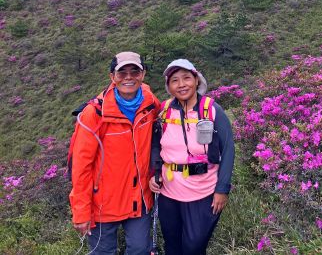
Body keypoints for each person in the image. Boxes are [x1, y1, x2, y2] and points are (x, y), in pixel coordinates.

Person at [69, 51, 160, 254]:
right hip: (102, 205)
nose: (129, 77)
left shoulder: (150, 104)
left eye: (134, 71)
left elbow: (157, 142)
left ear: (143, 74)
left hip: (139, 202)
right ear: (112, 77)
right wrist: (81, 210)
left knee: (139, 250)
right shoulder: (94, 114)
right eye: (122, 73)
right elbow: (81, 166)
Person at [149, 59, 234, 255]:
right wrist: (154, 174)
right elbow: (155, 146)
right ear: (169, 87)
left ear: (196, 80)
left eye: (187, 78)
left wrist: (222, 189)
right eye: (175, 80)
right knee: (173, 246)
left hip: (203, 193)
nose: (181, 84)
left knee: (194, 247)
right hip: (169, 193)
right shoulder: (164, 110)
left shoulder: (212, 110)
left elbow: (228, 149)